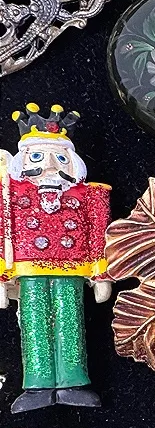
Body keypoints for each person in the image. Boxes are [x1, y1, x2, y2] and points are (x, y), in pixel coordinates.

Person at [0, 103, 111, 412]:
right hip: (28, 269)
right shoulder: (9, 193)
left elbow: (98, 233)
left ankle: (72, 382)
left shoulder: (87, 196)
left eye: (60, 158)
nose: (49, 165)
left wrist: (101, 273)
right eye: (38, 157)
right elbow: (2, 230)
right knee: (34, 322)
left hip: (72, 268)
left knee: (69, 321)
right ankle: (37, 385)